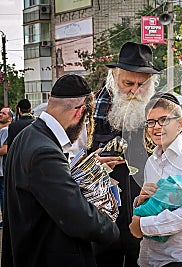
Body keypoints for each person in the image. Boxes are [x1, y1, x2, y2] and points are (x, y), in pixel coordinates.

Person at [1, 74, 120, 267]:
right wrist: (112, 231)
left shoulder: (28, 136)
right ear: (80, 112)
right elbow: (77, 217)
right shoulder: (45, 152)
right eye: (86, 120)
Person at [91, 42, 160, 267]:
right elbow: (74, 160)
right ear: (114, 76)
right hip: (103, 210)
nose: (134, 90)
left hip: (144, 209)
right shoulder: (94, 107)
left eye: (142, 85)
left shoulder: (160, 111)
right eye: (128, 83)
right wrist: (94, 162)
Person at [129, 94, 182, 267]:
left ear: (180, 124)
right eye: (150, 122)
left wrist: (143, 225)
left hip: (178, 258)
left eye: (163, 120)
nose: (156, 127)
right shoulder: (152, 161)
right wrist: (142, 201)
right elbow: (154, 205)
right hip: (149, 257)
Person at [0, 107, 13, 227]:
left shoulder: (6, 130)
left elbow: (4, 150)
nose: (0, 114)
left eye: (3, 113)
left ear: (10, 118)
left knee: (3, 195)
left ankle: (6, 220)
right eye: (0, 112)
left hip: (2, 170)